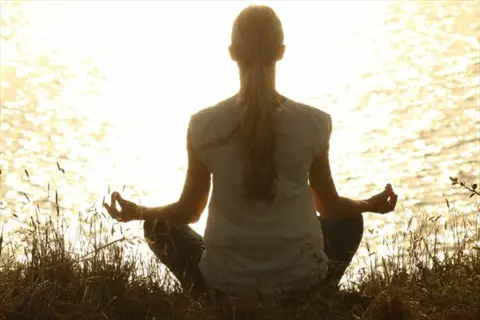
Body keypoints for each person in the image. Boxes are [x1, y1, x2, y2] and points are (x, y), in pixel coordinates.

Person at [104, 5, 397, 301]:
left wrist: (138, 212)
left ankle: (210, 298)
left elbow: (190, 210)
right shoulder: (314, 123)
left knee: (157, 225)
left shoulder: (203, 125)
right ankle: (311, 296)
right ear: (281, 51)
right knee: (350, 219)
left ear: (232, 52)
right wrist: (369, 204)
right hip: (301, 281)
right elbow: (330, 208)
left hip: (224, 284)